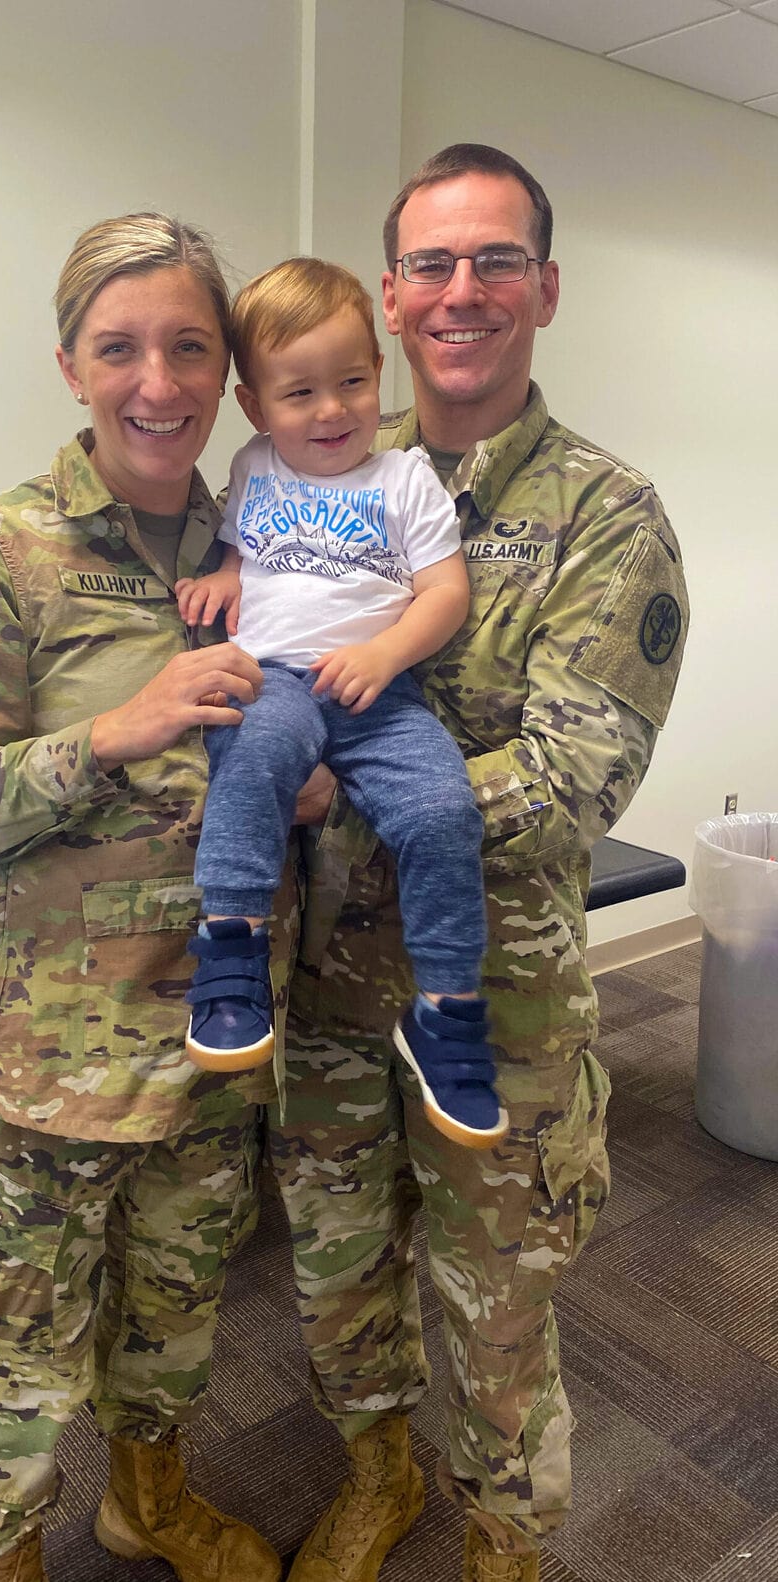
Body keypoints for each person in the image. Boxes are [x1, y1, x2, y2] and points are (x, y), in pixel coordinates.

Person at [269, 145, 689, 1582]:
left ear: (546, 289)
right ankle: (379, 1474)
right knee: (338, 1270)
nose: (464, 292)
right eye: (434, 265)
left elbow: (574, 777)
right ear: (389, 294)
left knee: (498, 1307)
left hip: (495, 1011)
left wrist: (333, 800)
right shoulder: (321, 466)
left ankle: (502, 1541)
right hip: (326, 992)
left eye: (496, 261)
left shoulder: (606, 517)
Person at [0, 212, 297, 1582]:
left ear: (227, 371)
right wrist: (115, 729)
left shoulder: (274, 547)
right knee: (7, 1376)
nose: (158, 382)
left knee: (172, 1330)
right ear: (70, 363)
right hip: (37, 1078)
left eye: (190, 346)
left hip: (206, 1053)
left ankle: (148, 1502)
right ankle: (7, 1561)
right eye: (120, 347)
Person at [175, 257, 507, 1148]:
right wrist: (226, 574)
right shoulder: (249, 466)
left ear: (379, 375)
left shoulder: (403, 480)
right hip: (275, 676)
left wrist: (385, 650)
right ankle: (232, 946)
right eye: (301, 393)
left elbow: (444, 593)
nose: (332, 411)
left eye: (354, 382)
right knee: (251, 757)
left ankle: (446, 1007)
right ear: (255, 407)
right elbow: (249, 552)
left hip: (378, 692)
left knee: (443, 811)